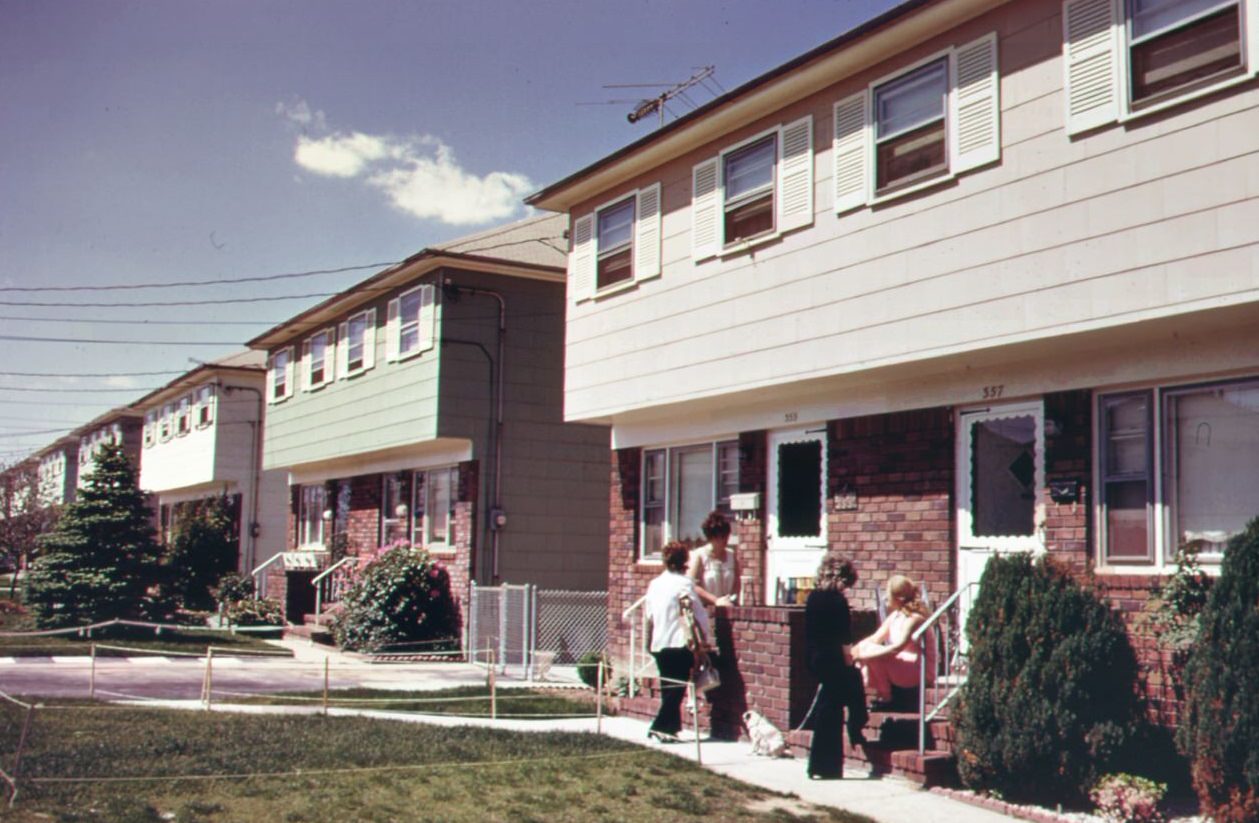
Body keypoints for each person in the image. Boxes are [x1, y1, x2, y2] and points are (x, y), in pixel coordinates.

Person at [803, 551, 868, 779]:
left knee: (828, 706)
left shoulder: (812, 598)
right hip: (833, 659)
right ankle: (829, 762)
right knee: (833, 709)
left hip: (815, 658)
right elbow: (843, 638)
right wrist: (850, 661)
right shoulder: (837, 602)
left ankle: (823, 763)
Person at [644, 540, 712, 743]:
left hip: (659, 641)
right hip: (679, 642)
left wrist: (647, 641)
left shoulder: (654, 584)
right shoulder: (684, 584)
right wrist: (705, 639)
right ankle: (658, 726)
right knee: (677, 688)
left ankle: (671, 729)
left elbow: (649, 615)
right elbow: (698, 614)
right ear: (684, 562)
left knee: (668, 687)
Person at [853, 574, 936, 709]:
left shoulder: (915, 618)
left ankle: (886, 697)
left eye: (889, 594)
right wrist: (855, 650)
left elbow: (897, 647)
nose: (886, 598)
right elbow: (875, 638)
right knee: (867, 646)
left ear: (898, 598)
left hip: (920, 669)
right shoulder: (896, 615)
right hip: (904, 664)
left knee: (874, 655)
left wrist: (863, 656)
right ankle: (877, 693)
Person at [687, 510, 741, 607]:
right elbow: (691, 585)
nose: (726, 540)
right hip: (705, 611)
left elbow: (737, 582)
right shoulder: (699, 555)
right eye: (721, 537)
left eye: (727, 536)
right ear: (712, 537)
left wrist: (732, 598)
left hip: (728, 609)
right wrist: (715, 600)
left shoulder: (731, 556)